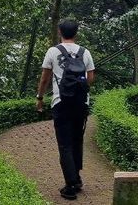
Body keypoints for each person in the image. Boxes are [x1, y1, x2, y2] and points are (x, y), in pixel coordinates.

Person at [36, 18, 95, 200]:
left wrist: (39, 98)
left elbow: (45, 79)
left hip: (61, 102)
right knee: (77, 140)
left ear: (60, 32)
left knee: (65, 144)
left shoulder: (53, 51)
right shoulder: (85, 52)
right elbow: (91, 78)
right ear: (76, 34)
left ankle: (71, 185)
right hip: (80, 103)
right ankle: (76, 178)